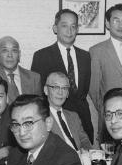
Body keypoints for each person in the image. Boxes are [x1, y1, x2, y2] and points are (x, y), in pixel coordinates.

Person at [31, 9, 93, 143]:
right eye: (64, 26)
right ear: (55, 28)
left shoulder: (85, 56)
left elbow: (83, 92)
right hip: (55, 122)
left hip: (83, 120)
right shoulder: (42, 56)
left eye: (73, 26)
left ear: (77, 29)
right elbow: (37, 94)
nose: (69, 31)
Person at [45, 72, 92, 151]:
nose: (60, 92)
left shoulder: (73, 116)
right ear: (46, 90)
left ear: (67, 93)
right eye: (56, 87)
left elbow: (84, 141)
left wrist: (85, 153)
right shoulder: (41, 118)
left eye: (64, 88)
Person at [0, 36, 42, 103]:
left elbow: (39, 107)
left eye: (14, 50)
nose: (10, 55)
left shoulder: (34, 78)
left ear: (19, 54)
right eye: (5, 50)